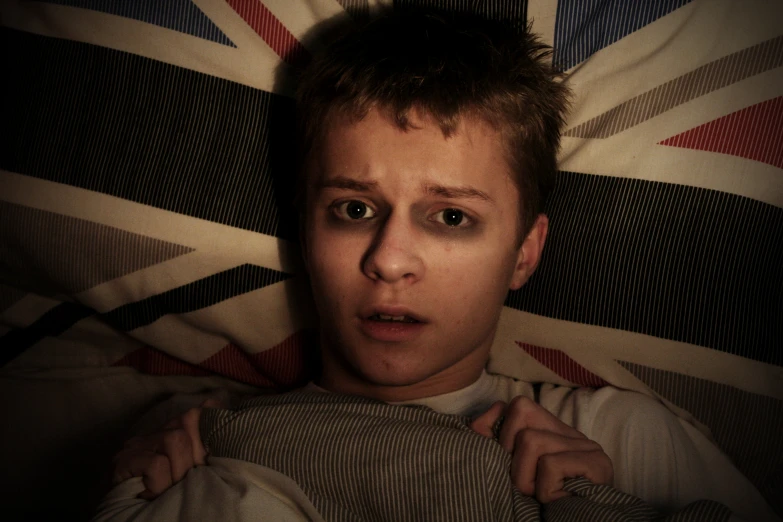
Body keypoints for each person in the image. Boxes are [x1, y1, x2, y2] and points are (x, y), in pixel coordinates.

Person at [98, 8, 778, 522]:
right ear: (304, 232)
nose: (389, 261)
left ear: (524, 253)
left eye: (451, 217)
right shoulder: (191, 434)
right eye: (353, 210)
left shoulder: (619, 437)